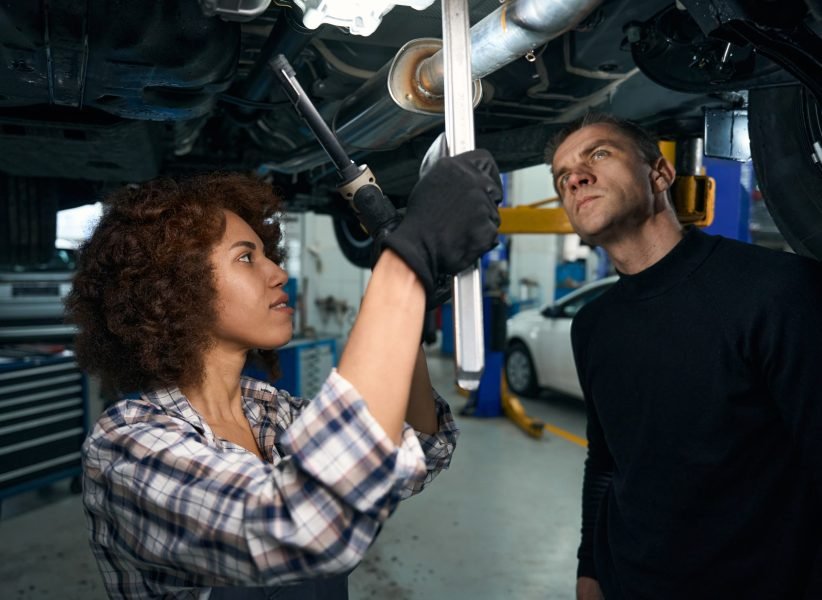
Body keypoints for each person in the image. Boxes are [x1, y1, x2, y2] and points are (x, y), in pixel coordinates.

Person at [67, 150, 502, 599]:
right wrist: (408, 259)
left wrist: (406, 311)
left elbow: (419, 446)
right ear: (174, 288)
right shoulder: (127, 445)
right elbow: (302, 525)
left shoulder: (267, 408)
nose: (277, 273)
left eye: (266, 254)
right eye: (245, 258)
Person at [544, 112, 822, 600]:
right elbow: (606, 460)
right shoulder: (592, 326)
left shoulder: (775, 291)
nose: (575, 177)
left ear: (660, 174)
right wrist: (590, 568)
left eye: (599, 154)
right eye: (562, 175)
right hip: (629, 582)